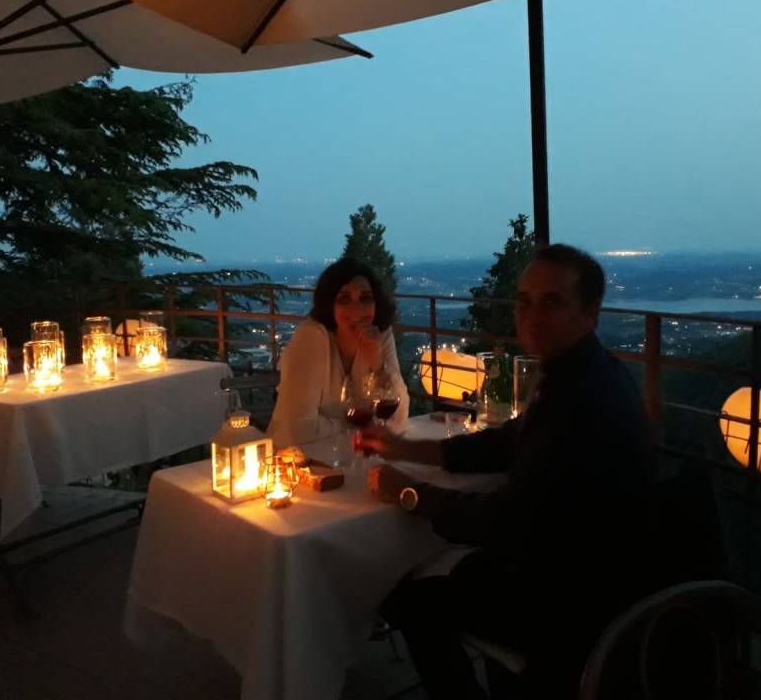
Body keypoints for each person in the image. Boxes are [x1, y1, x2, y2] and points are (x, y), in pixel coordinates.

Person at [359, 244, 657, 698]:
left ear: (590, 314)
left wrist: (411, 494)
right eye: (524, 301)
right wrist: (408, 449)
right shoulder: (583, 374)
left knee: (406, 597)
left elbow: (512, 521)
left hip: (571, 600)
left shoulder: (583, 396)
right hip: (600, 571)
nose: (531, 314)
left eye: (552, 302)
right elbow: (510, 442)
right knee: (436, 566)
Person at [267, 257, 409, 455]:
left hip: (352, 455)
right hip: (296, 460)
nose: (356, 309)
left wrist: (377, 364)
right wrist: (361, 427)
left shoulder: (380, 335)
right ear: (329, 304)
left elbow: (399, 417)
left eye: (365, 298)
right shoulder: (312, 336)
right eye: (344, 299)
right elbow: (300, 430)